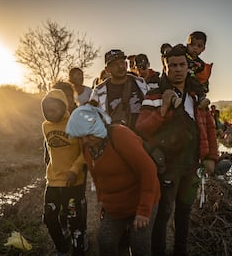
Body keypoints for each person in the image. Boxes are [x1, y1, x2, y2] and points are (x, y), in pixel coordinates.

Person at [136, 44, 218, 255]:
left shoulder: (196, 97)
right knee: (163, 214)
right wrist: (163, 110)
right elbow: (141, 129)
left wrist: (211, 157)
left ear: (187, 66)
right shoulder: (154, 95)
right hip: (166, 167)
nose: (178, 69)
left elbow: (209, 127)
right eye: (173, 65)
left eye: (182, 64)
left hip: (192, 167)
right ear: (165, 67)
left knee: (184, 212)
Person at [65, 104, 160, 256]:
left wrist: (143, 210)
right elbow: (97, 177)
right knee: (105, 241)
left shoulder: (120, 135)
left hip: (141, 200)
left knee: (139, 244)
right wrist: (102, 200)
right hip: (116, 206)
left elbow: (148, 170)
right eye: (81, 136)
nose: (86, 140)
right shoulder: (88, 147)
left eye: (90, 134)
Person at [41, 88, 87, 256]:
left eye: (54, 109)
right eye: (47, 110)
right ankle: (61, 248)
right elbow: (48, 149)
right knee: (48, 217)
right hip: (52, 182)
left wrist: (74, 170)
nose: (50, 113)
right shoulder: (45, 126)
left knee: (75, 223)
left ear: (63, 107)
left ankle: (79, 250)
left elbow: (85, 152)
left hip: (73, 183)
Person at [90, 49, 149, 131]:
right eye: (115, 64)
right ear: (107, 69)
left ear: (126, 64)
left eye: (122, 62)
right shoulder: (99, 91)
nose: (120, 66)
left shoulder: (141, 83)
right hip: (116, 137)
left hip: (143, 134)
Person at [186, 31, 213, 109]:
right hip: (183, 79)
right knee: (191, 76)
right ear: (187, 45)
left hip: (193, 82)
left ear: (203, 49)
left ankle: (201, 99)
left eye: (199, 46)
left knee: (194, 77)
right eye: (192, 45)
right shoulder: (182, 54)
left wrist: (205, 86)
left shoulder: (201, 64)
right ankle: (201, 97)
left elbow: (203, 76)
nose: (195, 48)